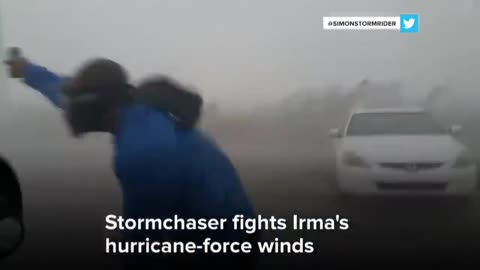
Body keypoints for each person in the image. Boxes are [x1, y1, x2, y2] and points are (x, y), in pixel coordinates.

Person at [5, 53, 259, 268]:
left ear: (97, 105)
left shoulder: (143, 152)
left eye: (79, 102)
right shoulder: (132, 107)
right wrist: (26, 70)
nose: (72, 110)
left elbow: (142, 243)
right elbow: (62, 90)